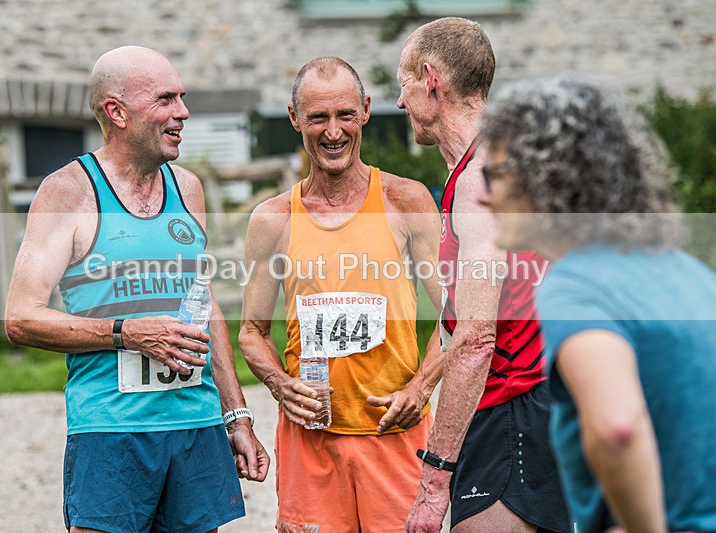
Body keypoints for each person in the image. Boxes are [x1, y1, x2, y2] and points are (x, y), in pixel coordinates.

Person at [5, 45, 269, 533]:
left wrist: (237, 416)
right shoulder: (68, 192)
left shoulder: (187, 187)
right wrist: (128, 332)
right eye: (165, 99)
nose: (182, 112)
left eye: (181, 98)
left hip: (195, 425)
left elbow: (204, 305)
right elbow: (21, 317)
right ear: (116, 111)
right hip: (111, 431)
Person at [478, 76, 716, 533]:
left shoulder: (576, 284)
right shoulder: (688, 272)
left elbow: (617, 429)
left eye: (496, 174)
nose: (484, 195)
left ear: (547, 175)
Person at [238, 57, 444, 533]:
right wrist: (280, 385)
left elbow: (454, 315)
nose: (333, 132)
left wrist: (419, 388)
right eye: (317, 118)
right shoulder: (273, 219)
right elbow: (251, 332)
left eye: (345, 115)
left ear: (366, 111)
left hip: (392, 434)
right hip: (310, 440)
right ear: (294, 118)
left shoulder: (406, 201)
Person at [397, 18, 570, 533]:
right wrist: (422, 385)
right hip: (539, 405)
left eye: (401, 83)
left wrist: (433, 484)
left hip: (513, 410)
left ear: (431, 79)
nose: (400, 102)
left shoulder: (481, 180)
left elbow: (475, 338)